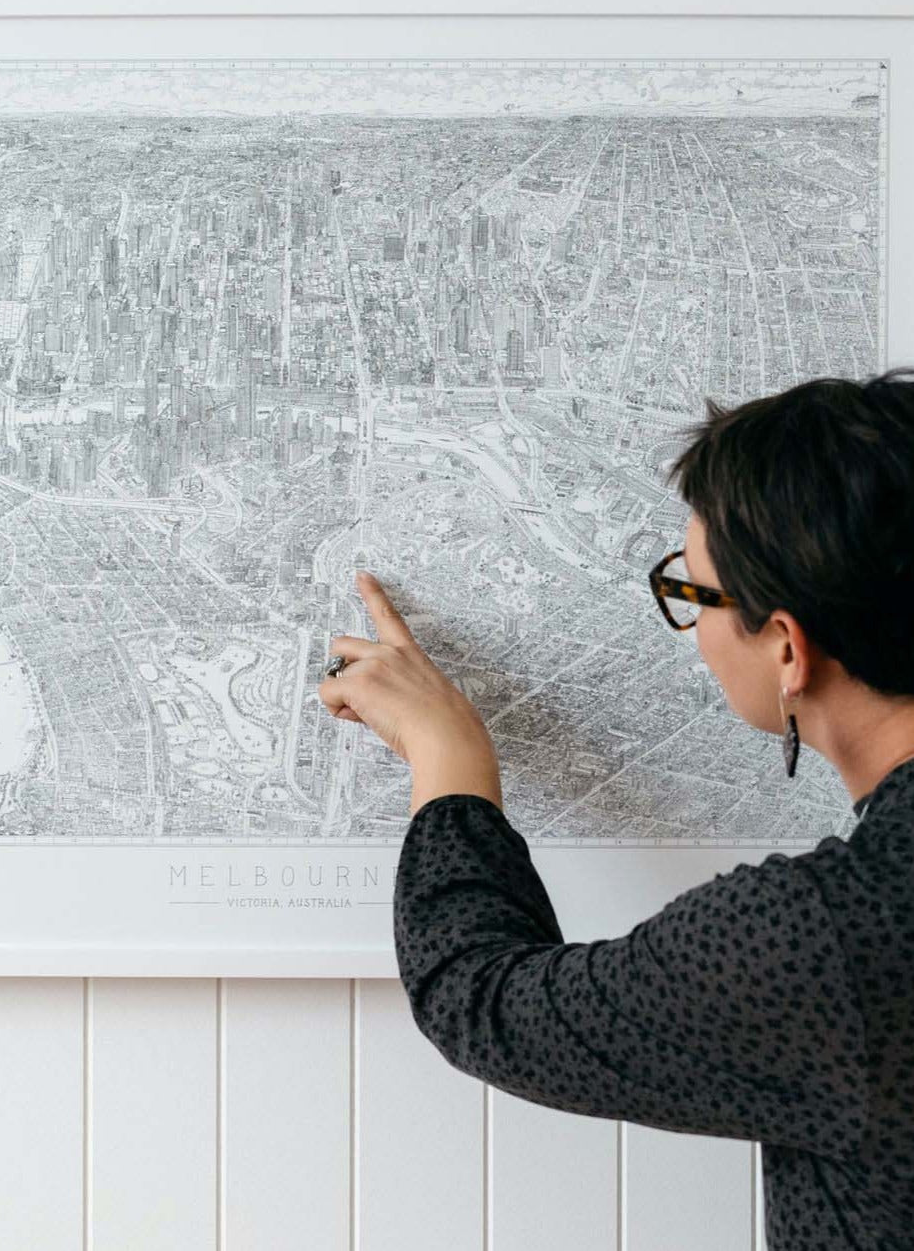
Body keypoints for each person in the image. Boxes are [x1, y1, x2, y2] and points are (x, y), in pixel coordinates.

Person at [318, 367, 914, 1251]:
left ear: (787, 648)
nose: (694, 627)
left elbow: (480, 997)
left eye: (695, 594)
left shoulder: (826, 933)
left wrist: (445, 751)